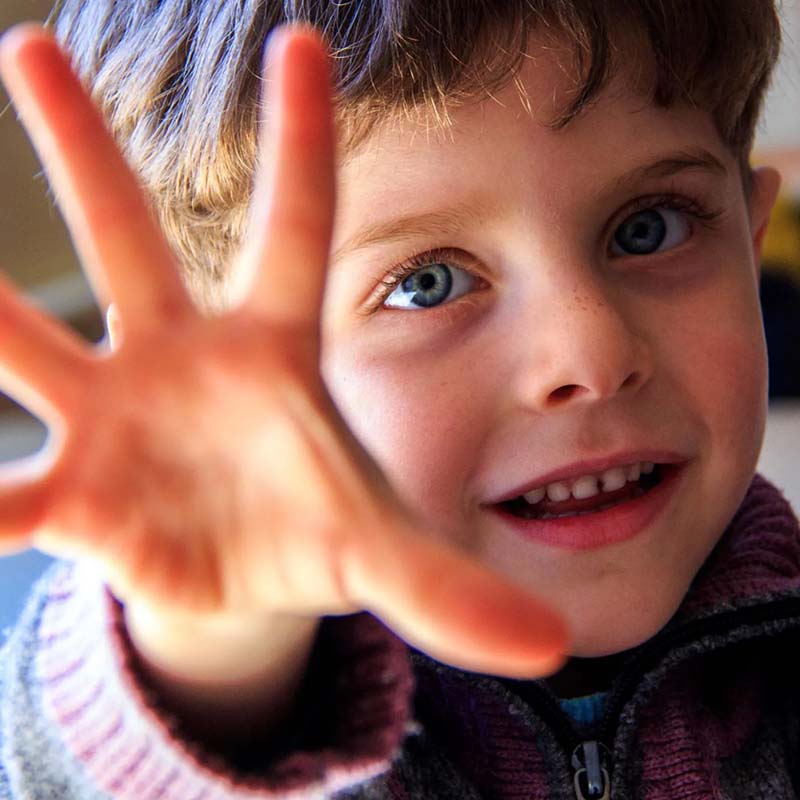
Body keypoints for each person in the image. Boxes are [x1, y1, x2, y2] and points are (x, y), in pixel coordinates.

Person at [0, 1, 795, 797]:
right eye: (426, 284)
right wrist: (212, 645)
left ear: (750, 241)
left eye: (650, 228)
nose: (591, 354)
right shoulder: (262, 685)